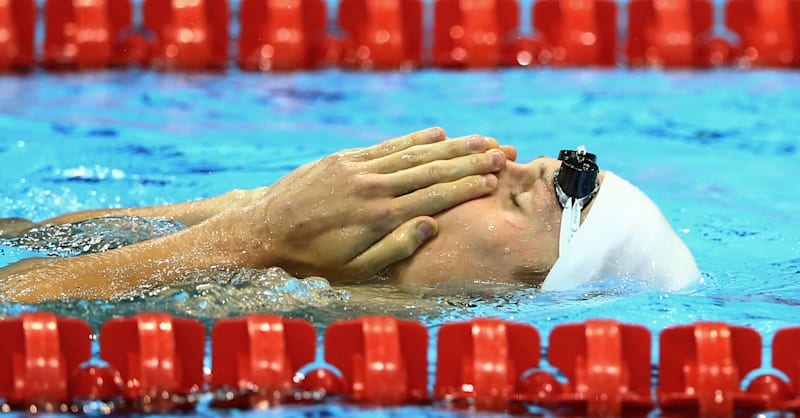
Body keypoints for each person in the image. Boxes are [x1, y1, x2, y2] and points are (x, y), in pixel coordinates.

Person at [0, 127, 699, 303]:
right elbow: (25, 246)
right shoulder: (301, 268)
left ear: (527, 288)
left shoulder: (314, 341)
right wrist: (249, 213)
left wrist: (251, 241)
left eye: (516, 195)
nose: (488, 162)